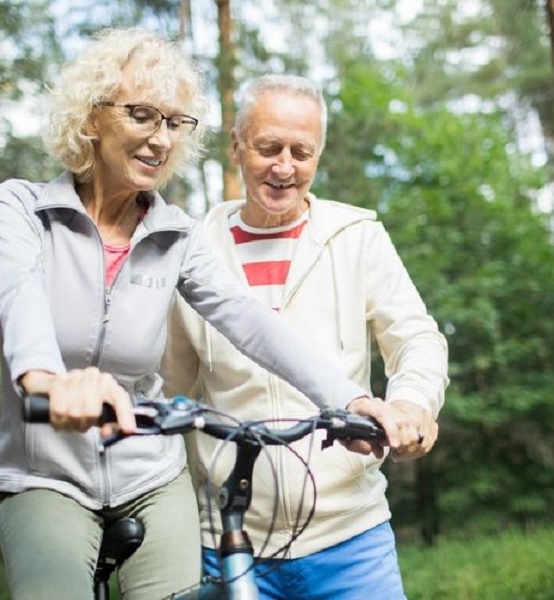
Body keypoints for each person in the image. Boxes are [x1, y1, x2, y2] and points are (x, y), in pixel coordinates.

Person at [0, 32, 407, 600]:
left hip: (150, 475)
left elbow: (249, 320)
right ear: (91, 117)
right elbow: (20, 301)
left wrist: (347, 400)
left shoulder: (176, 234)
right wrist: (47, 382)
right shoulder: (23, 209)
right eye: (141, 115)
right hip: (47, 476)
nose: (160, 139)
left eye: (175, 123)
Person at [162, 74, 449, 600]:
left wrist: (410, 404)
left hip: (351, 536)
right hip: (228, 542)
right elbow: (170, 390)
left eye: (302, 151)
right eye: (268, 147)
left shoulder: (356, 236)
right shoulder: (192, 249)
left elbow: (416, 338)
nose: (284, 167)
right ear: (236, 146)